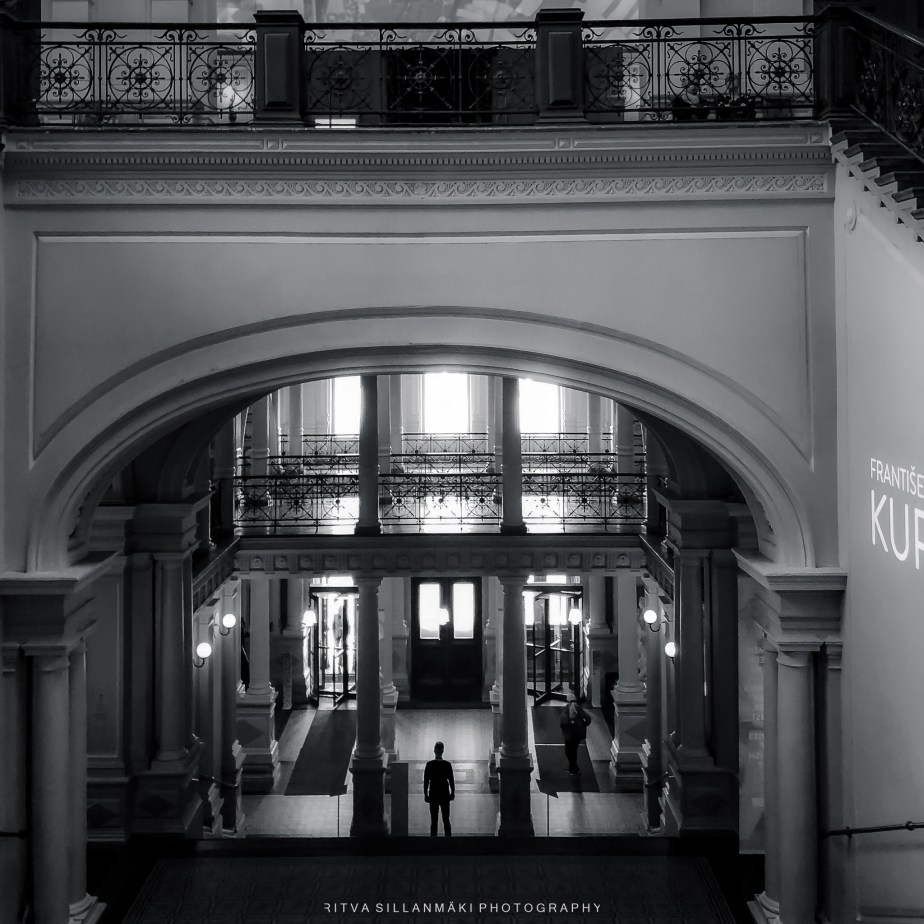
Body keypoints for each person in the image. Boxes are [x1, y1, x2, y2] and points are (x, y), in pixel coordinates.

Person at [423, 740, 455, 836]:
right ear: (442, 751)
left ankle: (433, 843)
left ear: (434, 751)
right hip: (444, 793)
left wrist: (426, 794)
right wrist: (452, 792)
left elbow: (426, 781)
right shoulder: (447, 765)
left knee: (434, 820)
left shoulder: (429, 764)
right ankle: (448, 841)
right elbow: (451, 780)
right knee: (446, 819)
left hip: (433, 793)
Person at [559, 694, 591, 776]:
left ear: (567, 700)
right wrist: (584, 725)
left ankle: (573, 768)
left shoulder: (567, 708)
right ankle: (573, 768)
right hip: (578, 733)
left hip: (570, 733)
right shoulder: (578, 708)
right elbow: (588, 718)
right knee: (573, 750)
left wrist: (565, 727)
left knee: (569, 751)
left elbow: (563, 723)